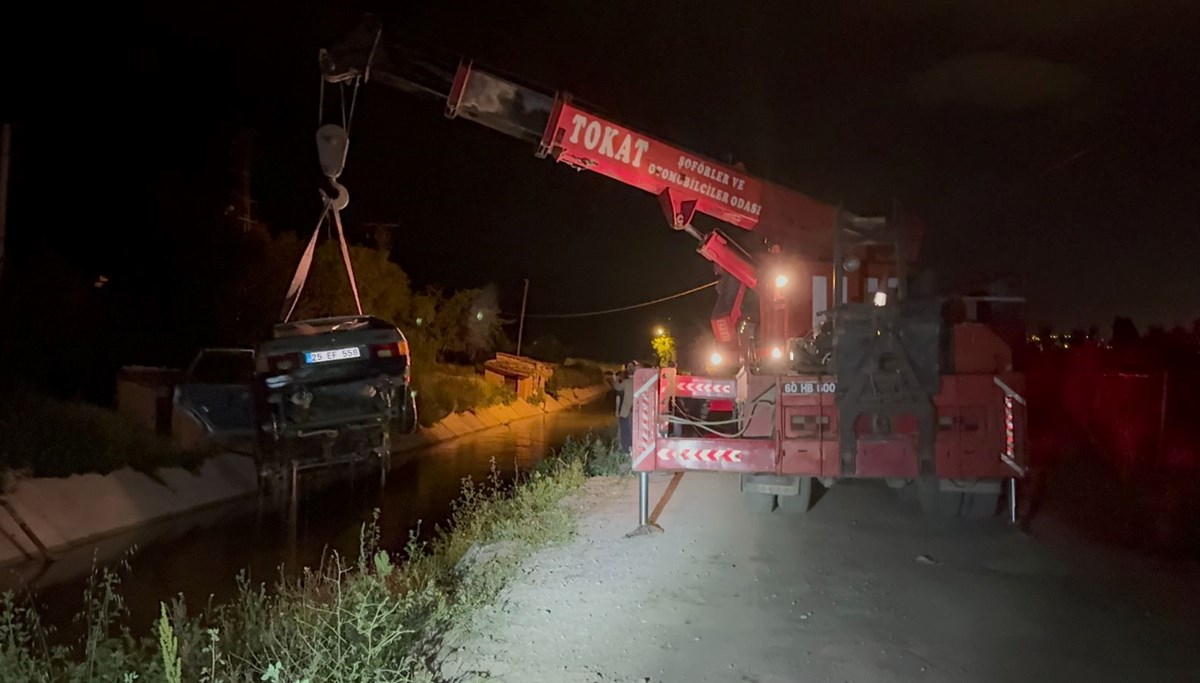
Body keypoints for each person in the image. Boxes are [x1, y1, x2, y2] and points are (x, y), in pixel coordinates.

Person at [609, 361, 637, 453]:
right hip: (637, 411)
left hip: (626, 412)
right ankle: (633, 450)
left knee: (625, 432)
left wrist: (614, 378)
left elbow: (617, 387)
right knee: (633, 432)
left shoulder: (627, 382)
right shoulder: (640, 382)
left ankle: (626, 451)